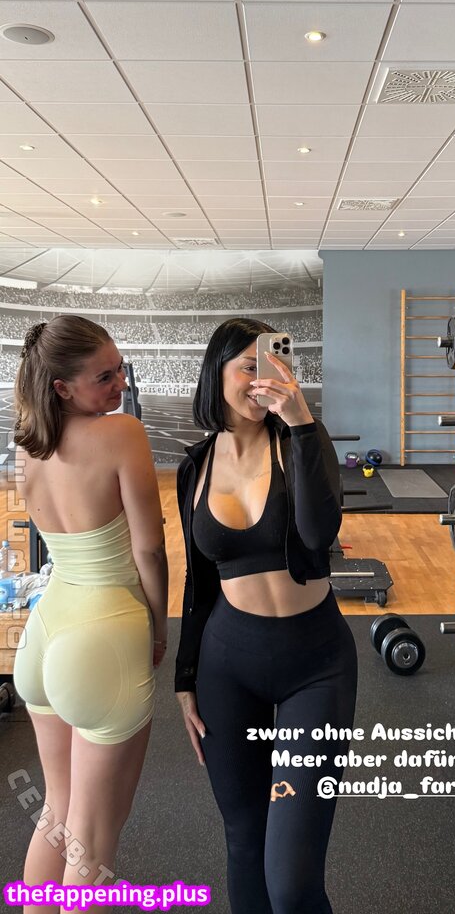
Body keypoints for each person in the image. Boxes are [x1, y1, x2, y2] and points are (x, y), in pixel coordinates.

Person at [175, 317, 358, 914]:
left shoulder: (302, 439)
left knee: (293, 881)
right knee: (244, 843)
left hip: (316, 664)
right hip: (228, 665)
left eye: (271, 366)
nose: (259, 380)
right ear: (217, 372)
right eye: (247, 367)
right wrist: (185, 679)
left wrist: (300, 420)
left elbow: (318, 534)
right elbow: (199, 581)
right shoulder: (196, 465)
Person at [12, 314, 167, 909]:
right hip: (104, 632)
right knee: (92, 842)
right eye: (105, 377)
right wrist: (159, 626)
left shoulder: (28, 448)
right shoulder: (121, 434)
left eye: (120, 369)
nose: (121, 383)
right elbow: (149, 550)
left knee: (56, 812)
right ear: (62, 387)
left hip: (45, 635)